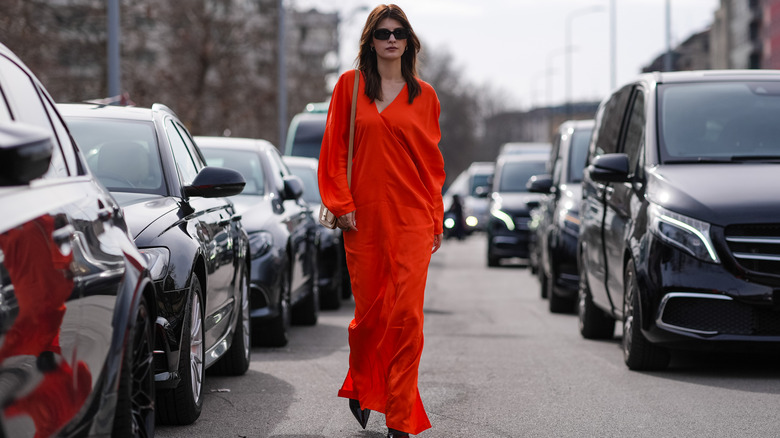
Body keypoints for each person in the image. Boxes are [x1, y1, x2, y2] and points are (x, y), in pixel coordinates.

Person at [317, 4, 445, 437]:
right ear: (370, 41)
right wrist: (341, 202)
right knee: (372, 317)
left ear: (409, 40)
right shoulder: (350, 87)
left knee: (407, 316)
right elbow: (333, 150)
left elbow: (431, 166)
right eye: (382, 33)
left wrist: (436, 216)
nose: (391, 39)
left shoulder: (424, 96)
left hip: (412, 218)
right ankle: (361, 381)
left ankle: (399, 417)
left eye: (399, 32)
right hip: (363, 220)